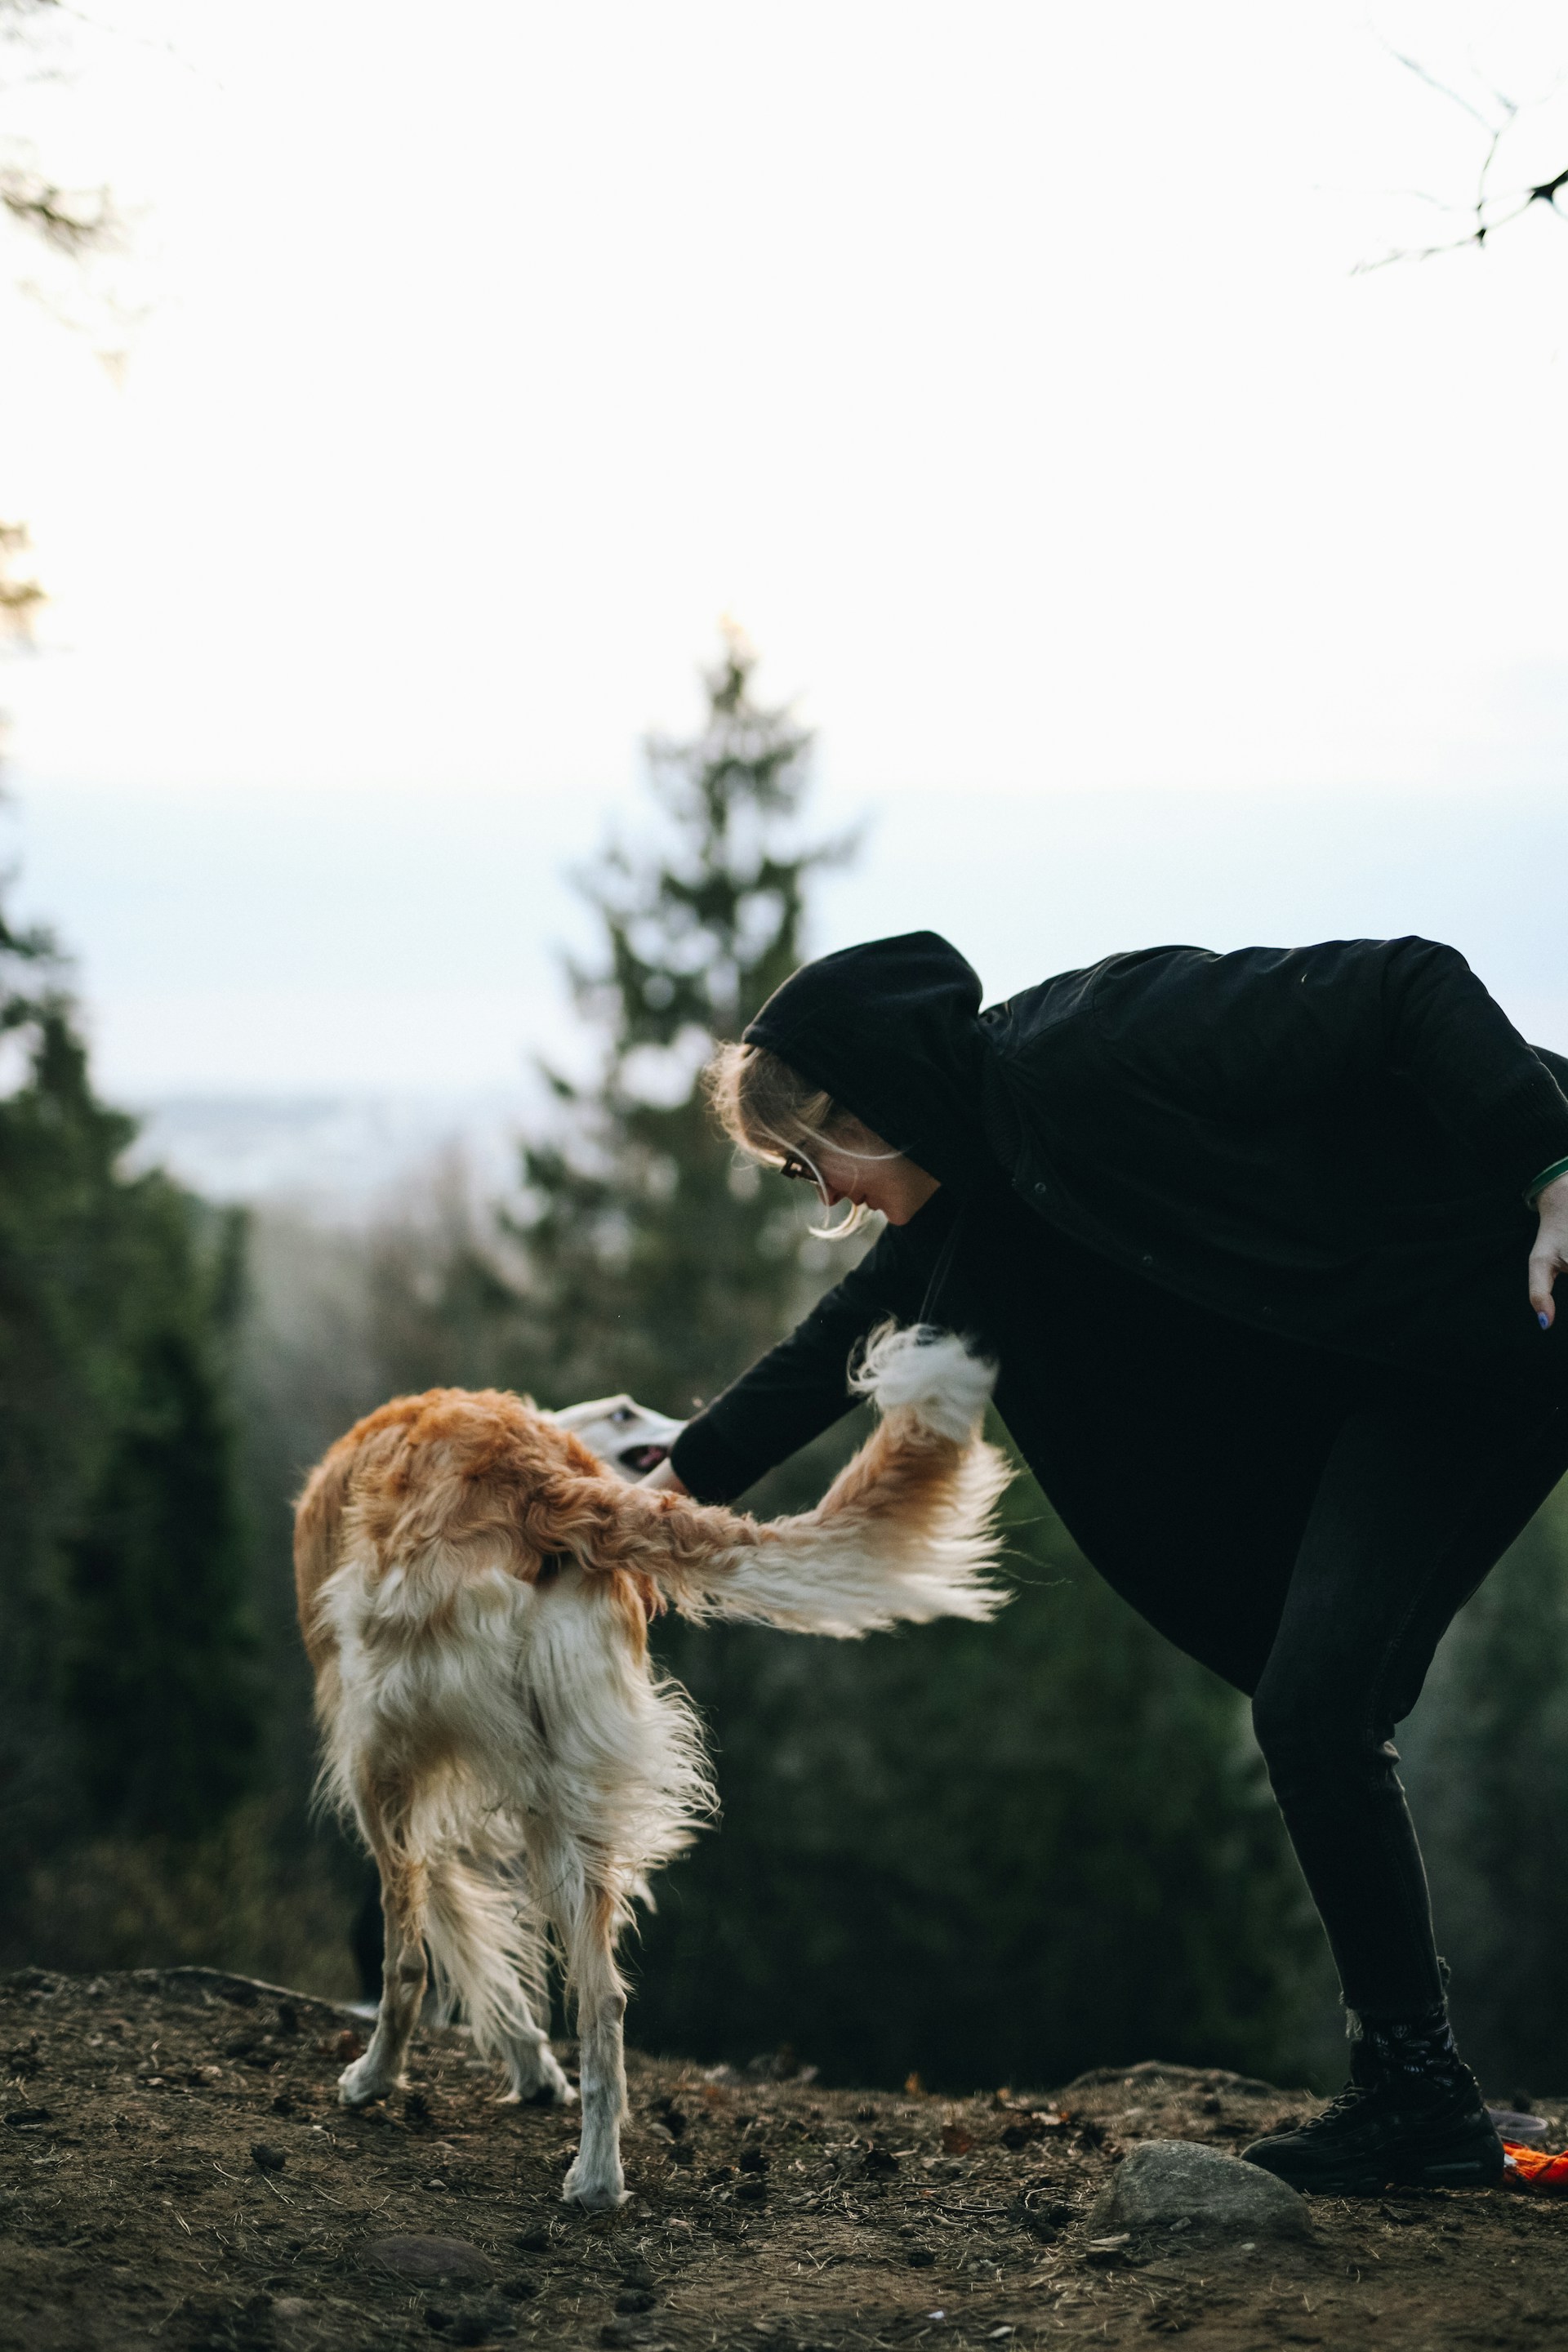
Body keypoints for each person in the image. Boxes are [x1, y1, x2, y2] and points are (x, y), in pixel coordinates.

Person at [639, 929, 1568, 2197]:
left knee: (1318, 1713)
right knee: (1316, 1712)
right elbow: (838, 1340)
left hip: (1514, 1272)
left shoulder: (1096, 1041)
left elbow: (1409, 982)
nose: (828, 1198)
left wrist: (1554, 1166)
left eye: (816, 1160)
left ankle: (1418, 2099)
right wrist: (666, 1498)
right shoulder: (978, 1196)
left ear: (878, 1100)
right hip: (1411, 1372)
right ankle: (1416, 2099)